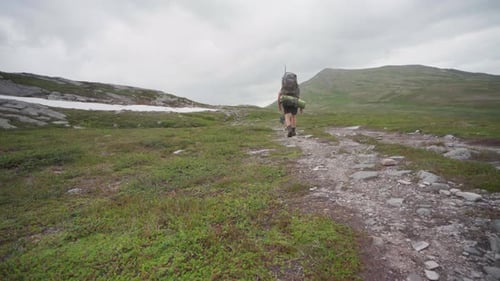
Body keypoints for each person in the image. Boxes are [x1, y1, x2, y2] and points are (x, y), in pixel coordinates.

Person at [278, 72, 303, 137]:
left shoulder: (284, 87)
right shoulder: (296, 87)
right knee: (293, 116)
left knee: (287, 116)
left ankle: (289, 130)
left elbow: (279, 95)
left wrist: (279, 105)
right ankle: (293, 131)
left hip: (285, 101)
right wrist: (301, 108)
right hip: (295, 101)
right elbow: (298, 97)